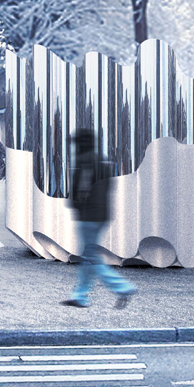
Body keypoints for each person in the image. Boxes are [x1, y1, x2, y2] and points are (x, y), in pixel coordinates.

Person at [61, 128, 136, 308]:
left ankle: (122, 287)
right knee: (88, 256)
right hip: (101, 214)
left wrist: (75, 203)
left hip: (88, 215)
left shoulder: (84, 160)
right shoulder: (101, 161)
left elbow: (82, 188)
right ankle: (81, 295)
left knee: (91, 257)